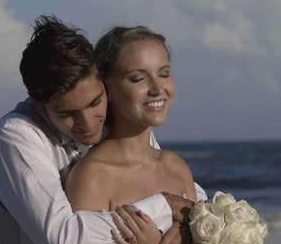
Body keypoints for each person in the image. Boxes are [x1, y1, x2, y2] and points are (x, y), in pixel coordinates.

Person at [0, 15, 207, 244]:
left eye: (94, 103)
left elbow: (181, 195)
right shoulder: (18, 134)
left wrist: (192, 223)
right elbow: (62, 237)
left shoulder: (137, 136)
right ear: (41, 105)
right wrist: (163, 206)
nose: (89, 123)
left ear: (103, 86)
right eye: (67, 114)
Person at [65, 26, 198, 244]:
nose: (157, 88)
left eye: (164, 73)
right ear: (107, 89)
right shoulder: (92, 176)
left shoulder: (176, 167)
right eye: (138, 79)